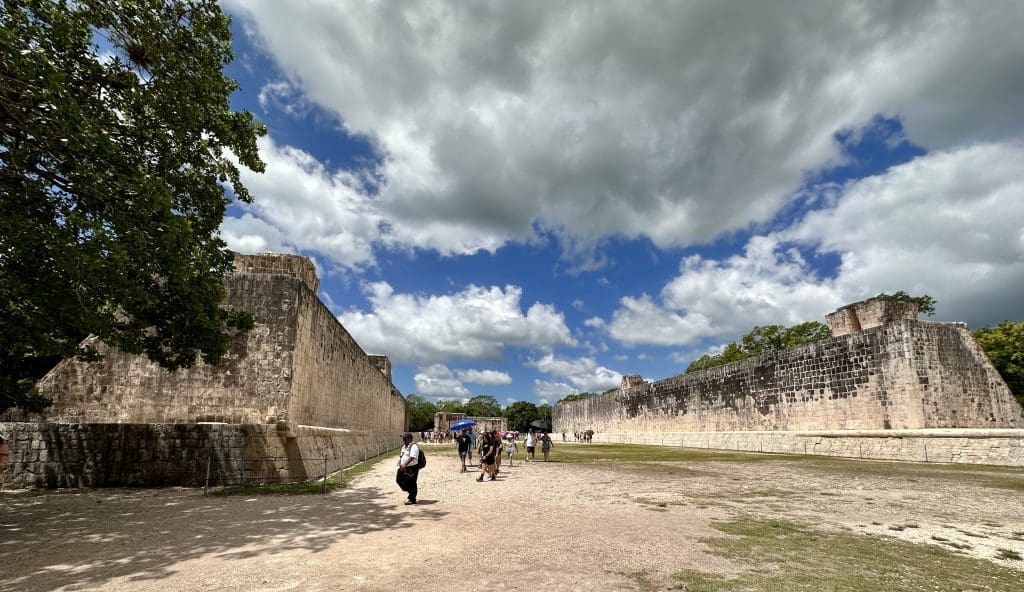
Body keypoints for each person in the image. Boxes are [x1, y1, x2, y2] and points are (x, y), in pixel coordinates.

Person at [396, 432, 420, 505]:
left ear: (410, 439)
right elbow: (402, 456)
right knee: (399, 479)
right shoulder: (404, 447)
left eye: (405, 438)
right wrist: (400, 463)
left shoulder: (414, 446)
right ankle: (411, 492)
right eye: (403, 438)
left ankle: (412, 498)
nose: (403, 439)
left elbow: (412, 457)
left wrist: (405, 465)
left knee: (411, 482)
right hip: (404, 467)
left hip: (412, 468)